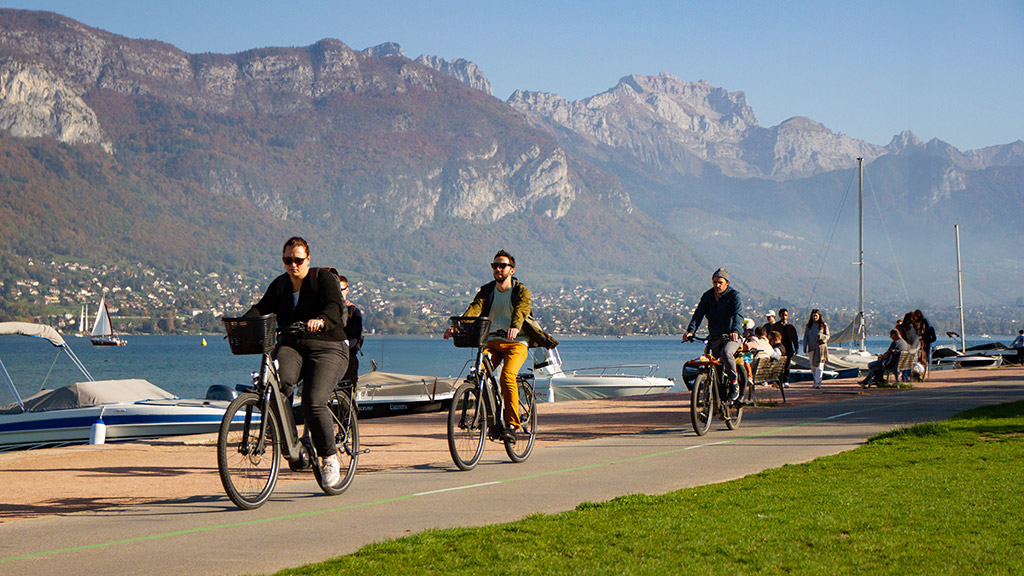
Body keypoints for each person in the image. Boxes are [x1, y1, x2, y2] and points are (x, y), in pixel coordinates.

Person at [245, 237, 348, 487]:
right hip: (292, 346)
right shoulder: (280, 285)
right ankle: (293, 447)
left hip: (328, 348)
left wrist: (321, 320)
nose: (293, 265)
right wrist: (244, 321)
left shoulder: (321, 279)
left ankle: (330, 458)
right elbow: (262, 308)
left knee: (314, 401)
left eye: (298, 260)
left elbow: (335, 306)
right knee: (278, 387)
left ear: (308, 259)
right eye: (288, 260)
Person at [444, 250, 557, 442]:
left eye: (502, 266)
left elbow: (521, 310)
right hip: (492, 342)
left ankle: (512, 425)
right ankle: (491, 420)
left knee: (507, 376)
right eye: (494, 265)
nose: (497, 269)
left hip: (517, 342)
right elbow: (474, 309)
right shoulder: (487, 291)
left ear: (511, 270)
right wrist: (458, 327)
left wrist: (515, 326)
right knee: (478, 375)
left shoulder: (521, 291)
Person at [684, 268, 743, 401]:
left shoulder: (734, 295)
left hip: (731, 336)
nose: (717, 285)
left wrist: (735, 331)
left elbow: (738, 315)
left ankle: (734, 383)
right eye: (715, 282)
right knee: (707, 361)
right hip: (714, 336)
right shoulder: (707, 296)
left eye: (720, 282)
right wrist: (690, 331)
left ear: (727, 283)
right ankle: (711, 397)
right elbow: (698, 314)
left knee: (726, 353)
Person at [333, 272, 363, 387]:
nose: (338, 293)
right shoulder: (328, 311)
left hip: (349, 357)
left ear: (347, 290)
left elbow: (356, 336)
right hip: (332, 356)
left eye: (341, 289)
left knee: (348, 392)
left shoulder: (354, 311)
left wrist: (343, 346)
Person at [803, 309, 829, 389]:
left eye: (816, 316)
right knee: (813, 366)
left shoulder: (823, 325)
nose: (815, 317)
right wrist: (804, 346)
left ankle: (818, 382)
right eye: (813, 316)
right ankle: (815, 380)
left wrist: (822, 338)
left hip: (820, 348)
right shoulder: (808, 326)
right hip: (811, 348)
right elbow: (805, 337)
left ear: (819, 316)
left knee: (820, 366)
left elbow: (828, 336)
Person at [773, 309, 799, 388]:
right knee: (778, 366)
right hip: (779, 348)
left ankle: (786, 380)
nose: (784, 317)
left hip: (788, 348)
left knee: (787, 366)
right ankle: (778, 381)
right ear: (779, 315)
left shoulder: (790, 326)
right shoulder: (776, 326)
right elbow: (772, 337)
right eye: (782, 315)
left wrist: (796, 347)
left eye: (786, 315)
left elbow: (795, 338)